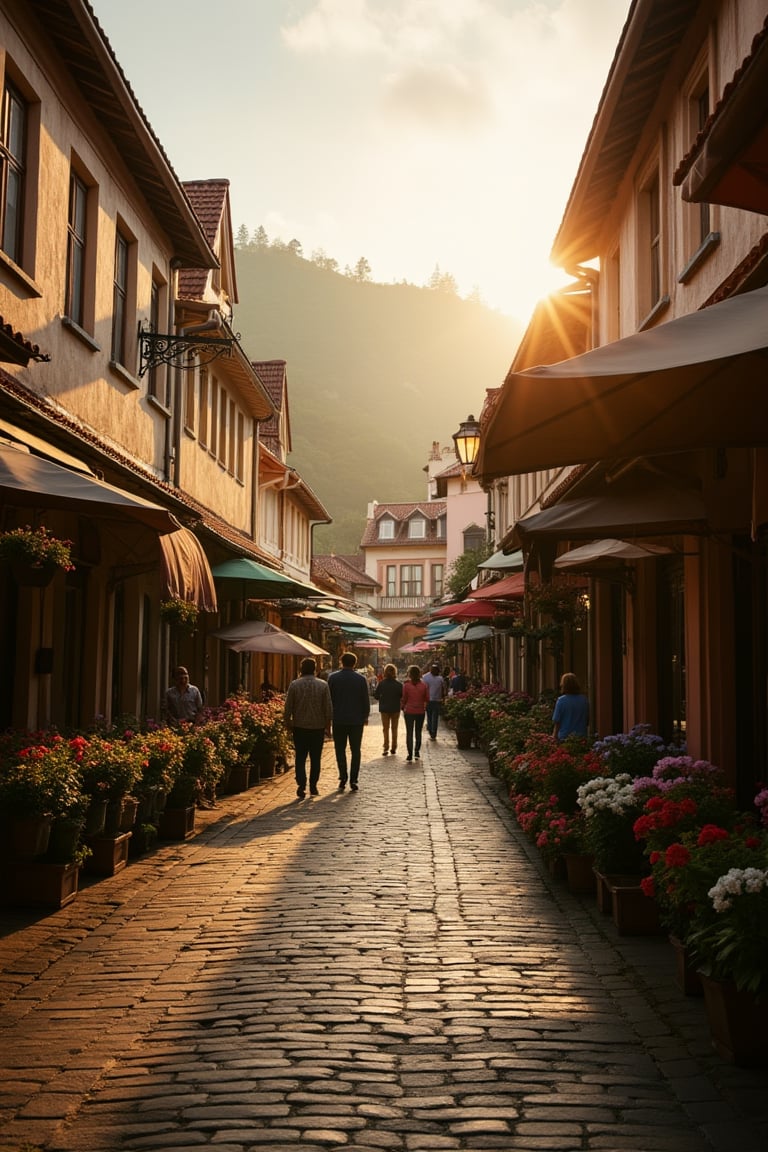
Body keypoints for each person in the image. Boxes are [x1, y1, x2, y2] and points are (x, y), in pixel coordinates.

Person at [283, 657, 333, 799]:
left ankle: (301, 784)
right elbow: (328, 709)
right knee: (315, 758)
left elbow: (288, 708)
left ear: (301, 669)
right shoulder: (323, 685)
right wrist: (328, 727)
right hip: (317, 727)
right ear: (315, 669)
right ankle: (313, 785)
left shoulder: (294, 685)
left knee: (300, 757)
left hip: (299, 727)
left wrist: (288, 724)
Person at [328, 652, 370, 791]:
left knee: (340, 750)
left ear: (341, 662)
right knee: (355, 750)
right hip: (356, 720)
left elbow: (329, 700)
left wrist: (328, 718)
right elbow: (365, 700)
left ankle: (343, 777)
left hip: (339, 719)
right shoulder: (361, 679)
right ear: (355, 663)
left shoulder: (333, 678)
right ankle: (353, 779)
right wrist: (365, 716)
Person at [401, 664, 429, 762]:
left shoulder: (406, 685)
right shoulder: (424, 685)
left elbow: (404, 698)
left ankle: (410, 753)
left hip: (409, 711)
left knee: (409, 732)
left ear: (410, 674)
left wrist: (402, 706)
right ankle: (417, 750)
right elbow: (427, 698)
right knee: (418, 732)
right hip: (420, 711)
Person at [374, 663, 403, 756]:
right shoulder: (399, 684)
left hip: (384, 709)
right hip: (395, 708)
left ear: (385, 672)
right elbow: (402, 696)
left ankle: (386, 747)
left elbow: (376, 696)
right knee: (394, 729)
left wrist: (382, 697)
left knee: (385, 729)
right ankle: (394, 747)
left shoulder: (382, 683)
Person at [552, 672, 590, 741]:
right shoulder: (584, 700)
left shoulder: (561, 701)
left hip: (565, 736)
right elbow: (587, 720)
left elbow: (557, 722)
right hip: (581, 737)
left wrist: (554, 737)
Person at [421, 661, 446, 740]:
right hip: (435, 700)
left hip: (431, 700)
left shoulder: (425, 677)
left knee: (430, 716)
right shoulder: (440, 678)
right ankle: (432, 732)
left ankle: (431, 731)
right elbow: (443, 689)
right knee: (434, 717)